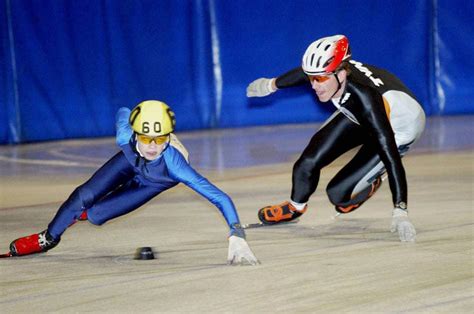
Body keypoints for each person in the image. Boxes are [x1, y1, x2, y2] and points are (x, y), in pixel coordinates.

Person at [6, 100, 259, 265]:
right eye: (146, 138)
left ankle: (77, 217)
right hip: (128, 161)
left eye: (160, 140)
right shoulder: (125, 136)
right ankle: (49, 237)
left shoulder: (176, 167)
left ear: (169, 138)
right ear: (135, 133)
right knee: (83, 196)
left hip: (155, 182)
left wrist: (236, 234)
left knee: (96, 214)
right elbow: (123, 109)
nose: (151, 146)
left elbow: (219, 197)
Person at [246, 35, 425, 242]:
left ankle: (370, 181)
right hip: (359, 112)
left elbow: (390, 156)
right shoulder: (333, 73)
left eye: (321, 79)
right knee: (307, 163)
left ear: (341, 73)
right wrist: (271, 85)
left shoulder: (367, 100)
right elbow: (307, 74)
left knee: (339, 197)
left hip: (396, 128)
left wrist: (400, 210)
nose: (314, 86)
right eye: (312, 78)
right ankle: (296, 208)